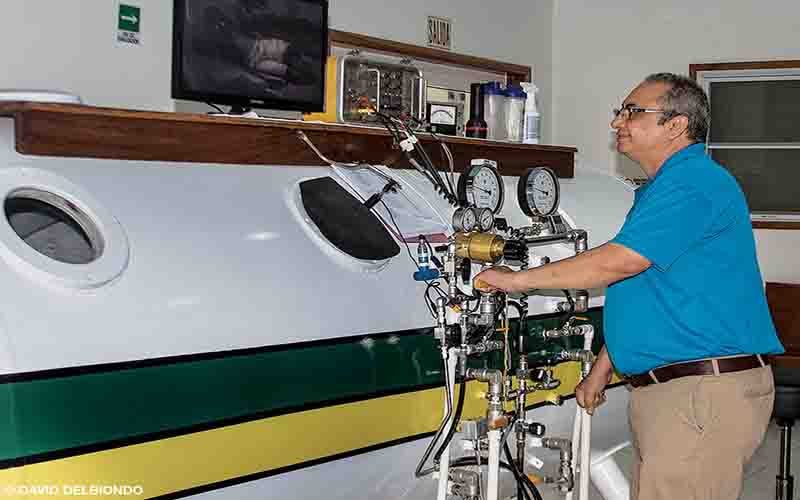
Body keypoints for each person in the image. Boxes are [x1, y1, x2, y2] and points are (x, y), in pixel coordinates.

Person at [474, 72, 783, 500]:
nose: (618, 122)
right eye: (620, 111)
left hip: (699, 393)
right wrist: (600, 372)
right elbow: (644, 290)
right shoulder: (659, 191)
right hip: (680, 392)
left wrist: (516, 282)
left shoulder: (694, 183)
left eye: (633, 112)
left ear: (676, 125)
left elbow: (619, 262)